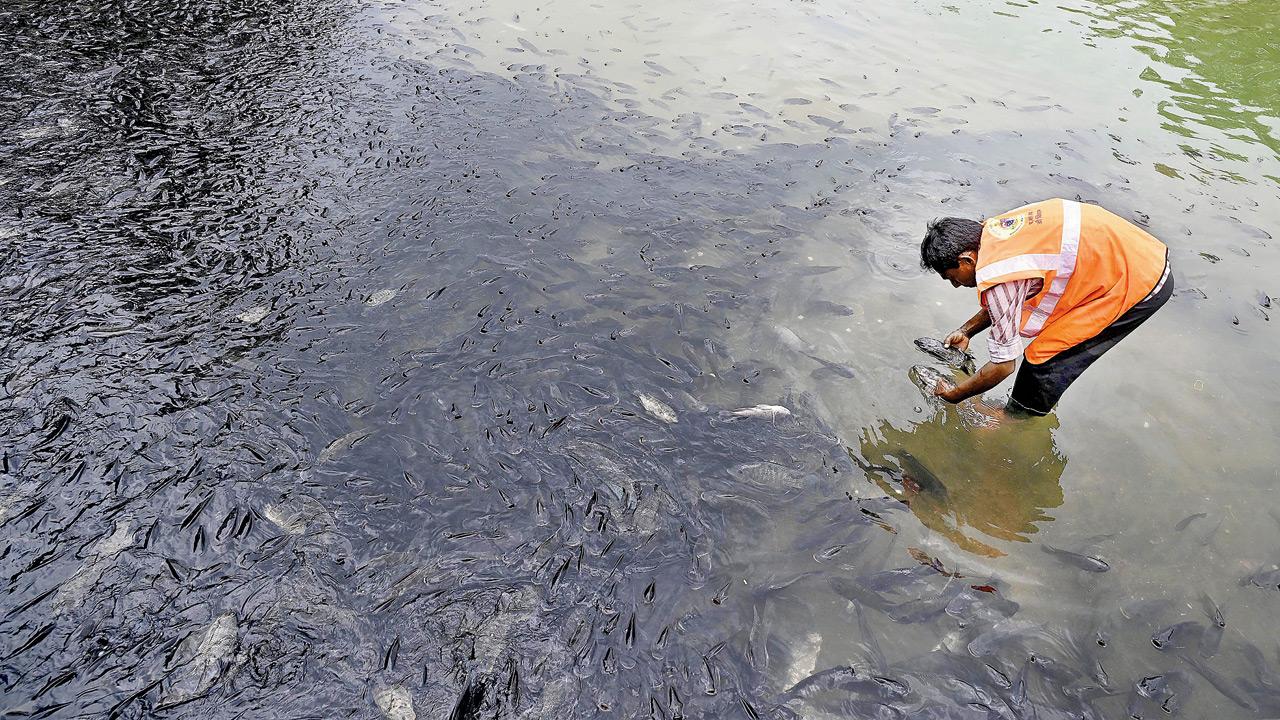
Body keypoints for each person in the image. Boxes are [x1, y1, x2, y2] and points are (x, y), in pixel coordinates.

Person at [919, 198, 1172, 416]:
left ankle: (1015, 422)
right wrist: (967, 331)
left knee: (1043, 363)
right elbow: (1008, 297)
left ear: (966, 259)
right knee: (1044, 353)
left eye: (952, 278)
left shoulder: (998, 278)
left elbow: (1003, 366)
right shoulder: (993, 232)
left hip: (1139, 280)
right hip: (1130, 251)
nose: (956, 285)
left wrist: (954, 395)